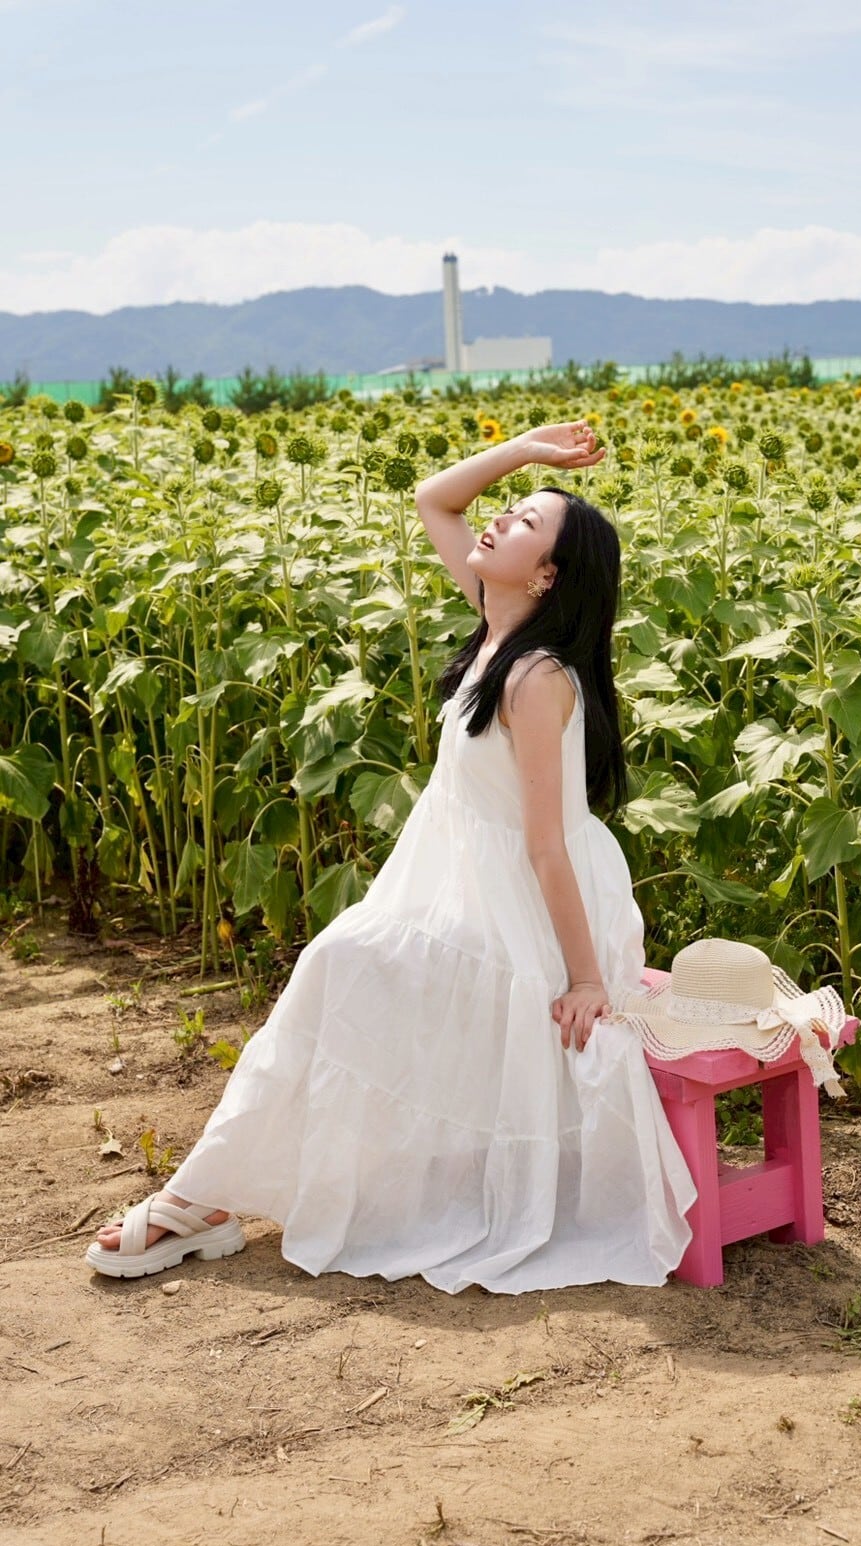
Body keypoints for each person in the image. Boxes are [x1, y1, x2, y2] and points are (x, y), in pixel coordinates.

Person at [86, 419, 697, 1293]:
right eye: (510, 509)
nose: (497, 518)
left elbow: (546, 847)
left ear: (547, 575)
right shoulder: (496, 623)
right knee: (340, 967)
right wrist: (526, 449)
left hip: (533, 908)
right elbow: (434, 499)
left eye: (524, 522)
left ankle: (202, 1199)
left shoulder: (536, 678)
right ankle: (207, 1196)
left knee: (341, 963)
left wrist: (587, 978)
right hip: (472, 888)